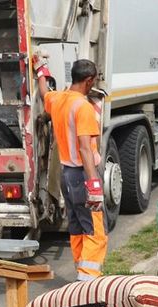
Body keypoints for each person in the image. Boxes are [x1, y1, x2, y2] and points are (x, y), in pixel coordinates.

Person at [34, 56, 107, 281]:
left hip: (66, 174)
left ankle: (81, 272)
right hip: (82, 173)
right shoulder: (82, 107)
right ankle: (88, 280)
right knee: (94, 229)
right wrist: (94, 183)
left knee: (76, 226)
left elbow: (44, 92)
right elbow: (85, 149)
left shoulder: (58, 100)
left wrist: (40, 71)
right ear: (88, 80)